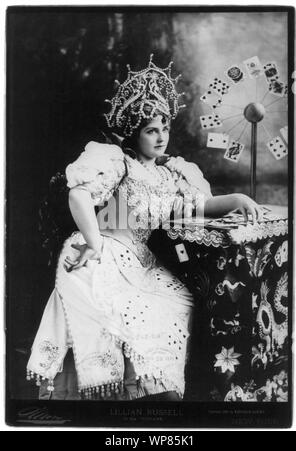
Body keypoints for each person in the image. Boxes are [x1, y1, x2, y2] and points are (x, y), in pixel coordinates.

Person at [27, 55, 263, 401]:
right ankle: (121, 393)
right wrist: (93, 243)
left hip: (142, 262)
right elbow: (78, 194)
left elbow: (196, 206)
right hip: (104, 250)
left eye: (165, 127)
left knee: (178, 300)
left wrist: (237, 197)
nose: (161, 136)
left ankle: (152, 390)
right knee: (126, 308)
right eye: (152, 130)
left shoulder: (171, 173)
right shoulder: (116, 162)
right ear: (135, 132)